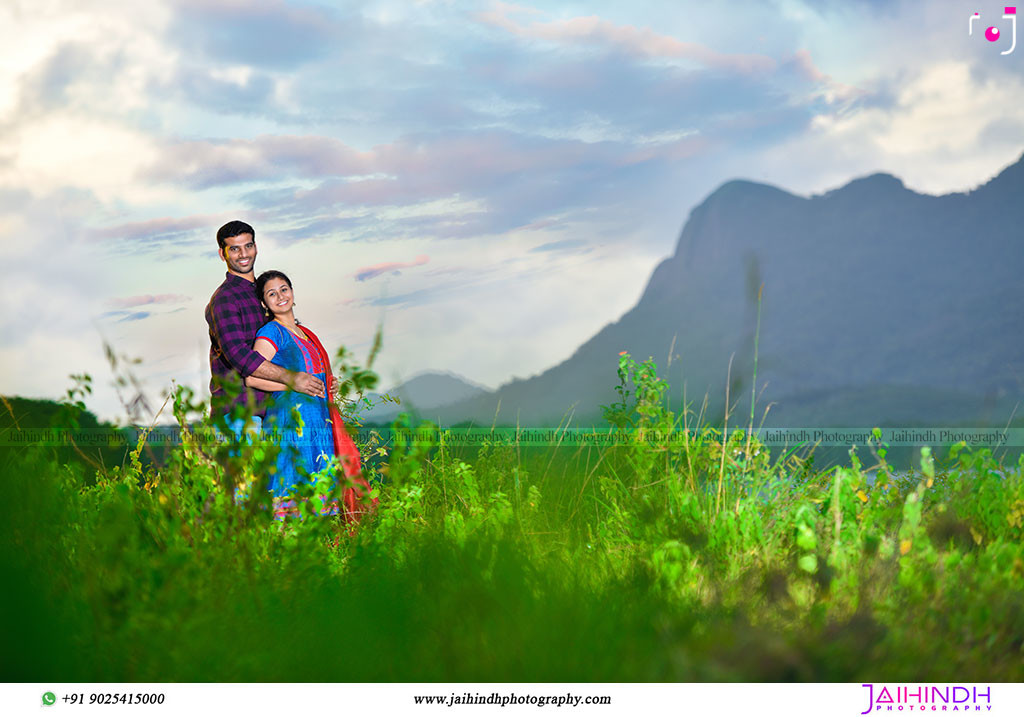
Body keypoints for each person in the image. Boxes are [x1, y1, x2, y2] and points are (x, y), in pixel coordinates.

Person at [245, 270, 370, 521]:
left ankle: (324, 554)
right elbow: (252, 377)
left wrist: (328, 385)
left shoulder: (307, 334)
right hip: (291, 424)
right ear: (263, 303)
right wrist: (293, 385)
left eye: (284, 289)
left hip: (318, 424)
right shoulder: (271, 333)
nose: (280, 296)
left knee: (321, 494)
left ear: (292, 292)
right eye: (271, 293)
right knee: (292, 487)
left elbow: (317, 374)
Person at [204, 221, 325, 447]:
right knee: (243, 483)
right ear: (222, 254)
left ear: (256, 247)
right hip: (239, 416)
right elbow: (240, 357)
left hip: (272, 414)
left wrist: (317, 381)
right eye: (234, 248)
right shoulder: (224, 299)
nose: (243, 254)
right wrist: (292, 379)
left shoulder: (264, 294)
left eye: (248, 246)